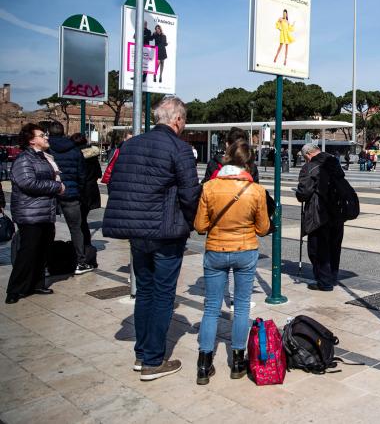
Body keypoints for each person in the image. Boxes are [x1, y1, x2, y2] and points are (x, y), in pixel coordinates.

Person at [102, 96, 202, 381]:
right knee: (163, 294)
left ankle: (141, 352)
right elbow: (189, 194)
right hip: (166, 231)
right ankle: (153, 361)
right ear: (178, 120)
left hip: (137, 232)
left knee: (143, 290)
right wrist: (197, 222)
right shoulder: (179, 149)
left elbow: (117, 184)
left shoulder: (130, 145)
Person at [193, 140, 269, 385]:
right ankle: (237, 361)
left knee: (211, 307)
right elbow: (263, 228)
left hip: (215, 250)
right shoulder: (255, 190)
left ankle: (204, 364)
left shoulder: (209, 187)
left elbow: (200, 226)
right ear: (248, 162)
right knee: (242, 307)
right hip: (245, 250)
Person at [6, 124, 64, 304]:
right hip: (30, 212)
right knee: (28, 251)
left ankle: (36, 283)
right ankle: (15, 289)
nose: (46, 137)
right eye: (41, 135)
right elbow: (28, 183)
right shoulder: (24, 159)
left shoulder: (43, 157)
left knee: (42, 250)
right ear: (32, 140)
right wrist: (56, 187)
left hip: (45, 211)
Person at [295, 143, 346, 291]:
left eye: (305, 158)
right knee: (334, 246)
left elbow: (303, 193)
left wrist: (298, 193)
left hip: (319, 213)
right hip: (337, 212)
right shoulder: (334, 162)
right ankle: (332, 277)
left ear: (308, 154)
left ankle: (324, 282)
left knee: (317, 248)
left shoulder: (309, 167)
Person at [48, 122, 92, 275]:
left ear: (49, 133)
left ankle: (46, 263)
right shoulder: (74, 150)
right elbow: (82, 174)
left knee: (47, 229)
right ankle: (80, 262)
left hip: (49, 193)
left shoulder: (45, 149)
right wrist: (78, 189)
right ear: (63, 132)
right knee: (76, 228)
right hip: (71, 193)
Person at [72, 134, 101, 269]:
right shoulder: (93, 156)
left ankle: (83, 249)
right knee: (83, 221)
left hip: (81, 192)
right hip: (91, 191)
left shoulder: (76, 156)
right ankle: (86, 247)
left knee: (80, 223)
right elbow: (99, 174)